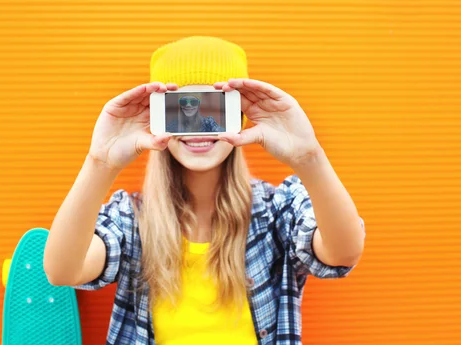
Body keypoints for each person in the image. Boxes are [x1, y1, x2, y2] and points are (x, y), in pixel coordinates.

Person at [43, 36, 365, 345]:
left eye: (212, 108)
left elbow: (343, 252)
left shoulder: (276, 210)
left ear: (239, 116)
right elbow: (62, 271)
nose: (198, 127)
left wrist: (310, 158)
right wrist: (100, 163)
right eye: (182, 108)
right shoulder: (132, 219)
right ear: (159, 117)